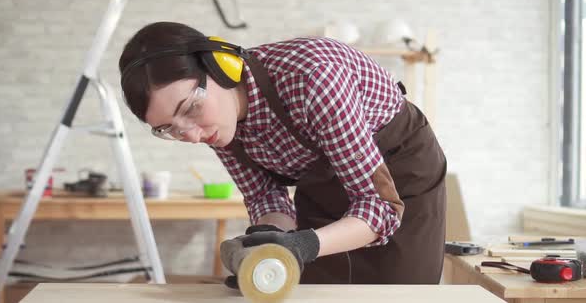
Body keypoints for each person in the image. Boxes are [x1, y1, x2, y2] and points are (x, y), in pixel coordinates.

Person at [118, 21, 447, 286]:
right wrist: (268, 242)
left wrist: (302, 244)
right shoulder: (219, 125)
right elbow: (266, 195)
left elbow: (380, 208)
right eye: (169, 129)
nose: (190, 135)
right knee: (314, 291)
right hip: (323, 183)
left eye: (190, 108)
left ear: (219, 67)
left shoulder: (313, 78)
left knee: (401, 291)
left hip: (399, 176)